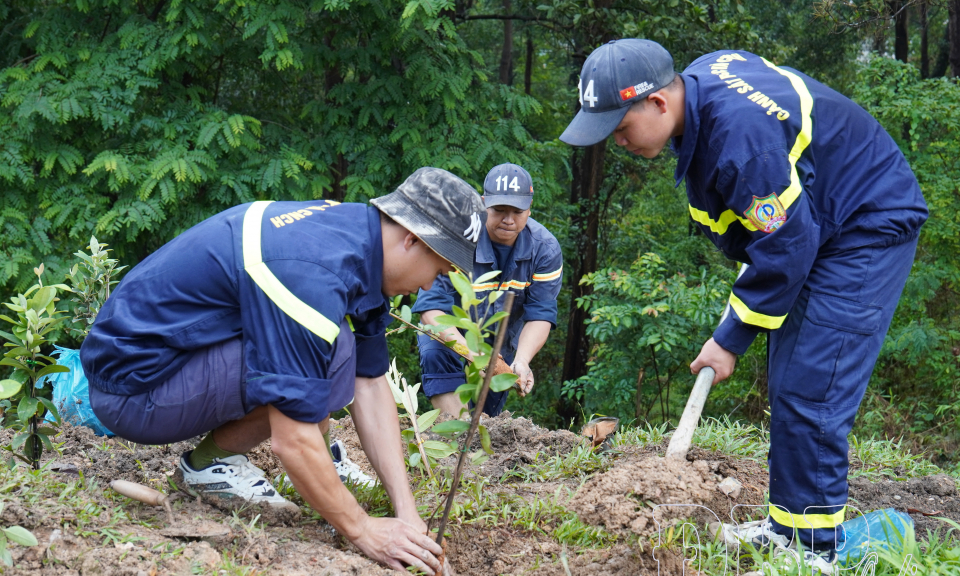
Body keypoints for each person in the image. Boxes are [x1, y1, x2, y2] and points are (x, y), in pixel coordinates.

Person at [560, 39, 927, 574]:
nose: (617, 141)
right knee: (791, 382)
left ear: (659, 102)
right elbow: (773, 222)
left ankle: (814, 553)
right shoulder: (702, 83)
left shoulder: (742, 145)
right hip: (819, 217)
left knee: (812, 388)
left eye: (619, 127)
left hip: (865, 222)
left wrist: (728, 340)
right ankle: (788, 530)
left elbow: (786, 246)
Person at [79, 167, 486, 575]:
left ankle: (315, 470)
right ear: (412, 239)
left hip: (176, 359)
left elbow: (369, 381)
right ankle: (210, 467)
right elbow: (292, 439)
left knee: (338, 347)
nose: (430, 286)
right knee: (326, 351)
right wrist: (363, 530)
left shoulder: (356, 239)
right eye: (440, 271)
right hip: (136, 390)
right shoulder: (313, 273)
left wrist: (407, 512)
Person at [412, 163, 563, 417]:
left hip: (500, 345)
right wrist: (470, 352)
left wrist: (522, 360)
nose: (508, 219)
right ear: (483, 205)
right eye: (499, 210)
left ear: (529, 209)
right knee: (436, 353)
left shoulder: (545, 250)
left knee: (486, 419)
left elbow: (541, 314)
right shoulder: (457, 238)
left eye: (517, 211)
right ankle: (457, 437)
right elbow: (431, 308)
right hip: (449, 333)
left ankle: (475, 433)